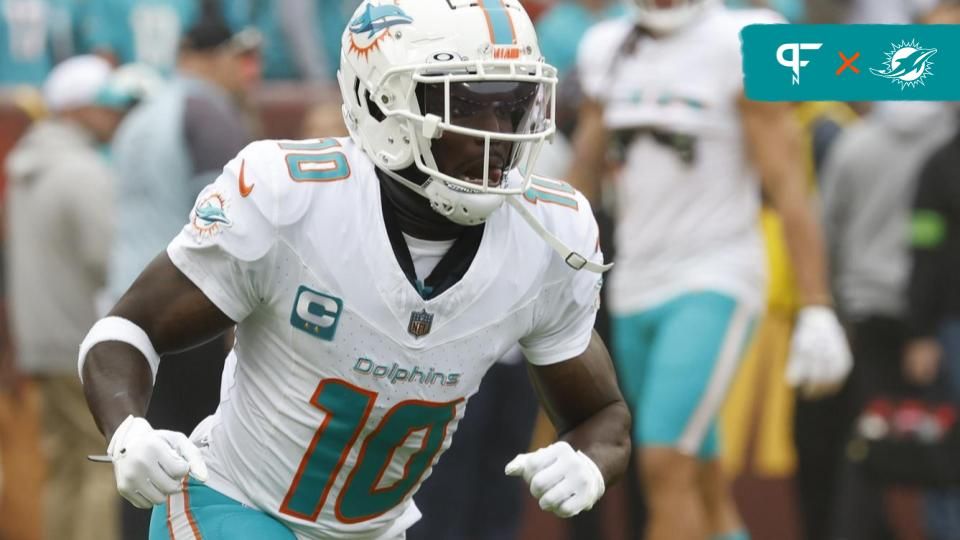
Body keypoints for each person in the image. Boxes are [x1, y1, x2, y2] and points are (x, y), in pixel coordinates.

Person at [79, 1, 632, 539]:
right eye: (464, 105)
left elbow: (601, 413)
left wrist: (587, 462)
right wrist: (128, 429)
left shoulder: (550, 234)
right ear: (381, 103)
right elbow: (125, 330)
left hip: (373, 529)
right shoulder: (292, 198)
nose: (498, 134)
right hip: (234, 503)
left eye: (512, 103)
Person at [568, 1, 852, 539]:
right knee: (698, 475)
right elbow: (584, 168)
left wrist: (818, 306)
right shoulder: (607, 46)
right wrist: (555, 269)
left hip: (715, 276)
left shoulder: (741, 41)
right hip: (633, 284)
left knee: (661, 464)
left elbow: (788, 182)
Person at [4, 55, 142, 540]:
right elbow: (107, 260)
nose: (115, 116)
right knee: (97, 467)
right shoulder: (82, 170)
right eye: (106, 105)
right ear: (77, 108)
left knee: (62, 467)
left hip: (40, 341)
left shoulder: (28, 165)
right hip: (78, 339)